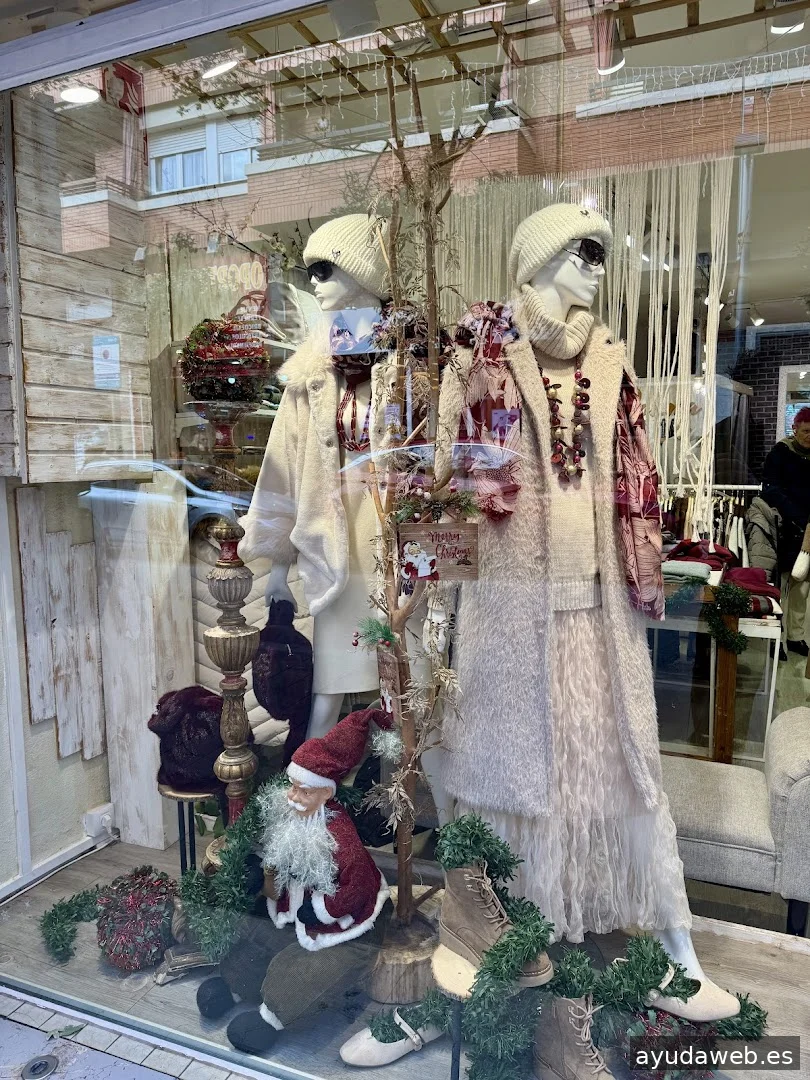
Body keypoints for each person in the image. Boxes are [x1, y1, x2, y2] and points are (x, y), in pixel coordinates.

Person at [762, 407, 810, 657]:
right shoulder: (780, 453)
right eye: (806, 431)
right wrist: (795, 515)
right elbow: (770, 489)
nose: (809, 436)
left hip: (808, 530)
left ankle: (795, 637)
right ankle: (776, 639)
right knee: (781, 586)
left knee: (802, 586)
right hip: (784, 526)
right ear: (795, 429)